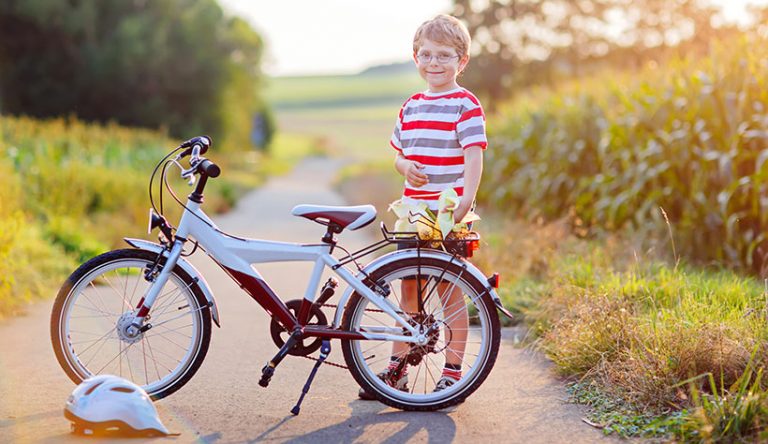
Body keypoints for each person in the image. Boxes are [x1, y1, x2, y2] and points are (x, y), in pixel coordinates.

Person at [359, 14, 487, 399]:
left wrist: (466, 198)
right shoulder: (411, 105)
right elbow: (399, 154)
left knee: (450, 291)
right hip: (413, 213)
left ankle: (452, 370)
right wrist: (405, 166)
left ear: (461, 61)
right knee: (409, 291)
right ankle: (397, 369)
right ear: (415, 57)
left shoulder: (465, 104)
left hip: (448, 211)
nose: (434, 63)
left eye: (444, 56)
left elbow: (473, 155)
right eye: (426, 55)